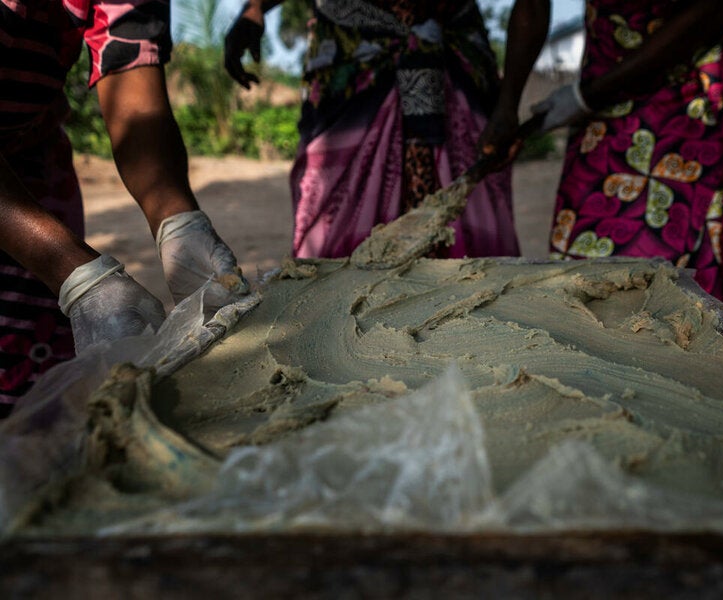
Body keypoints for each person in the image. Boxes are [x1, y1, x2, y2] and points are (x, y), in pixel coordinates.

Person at [483, 0, 723, 358]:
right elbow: (532, 7)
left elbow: (709, 11)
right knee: (591, 281)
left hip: (715, 79)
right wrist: (507, 104)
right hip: (614, 83)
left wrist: (587, 96)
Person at [0, 0, 249, 416]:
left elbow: (131, 86)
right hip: (19, 215)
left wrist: (180, 224)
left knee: (37, 390)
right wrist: (78, 276)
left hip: (32, 169)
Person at [224, 0, 526, 259]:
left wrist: (509, 103)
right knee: (327, 256)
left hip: (457, 73)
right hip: (350, 75)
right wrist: (256, 6)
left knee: (478, 260)